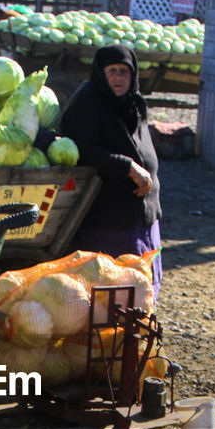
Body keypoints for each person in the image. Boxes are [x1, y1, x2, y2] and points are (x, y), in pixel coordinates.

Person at [59, 45, 162, 297]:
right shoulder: (88, 101)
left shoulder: (133, 103)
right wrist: (127, 167)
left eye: (125, 71)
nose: (119, 77)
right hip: (109, 219)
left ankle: (136, 331)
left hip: (142, 216)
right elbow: (82, 148)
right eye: (112, 71)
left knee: (143, 286)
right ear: (100, 73)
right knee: (114, 289)